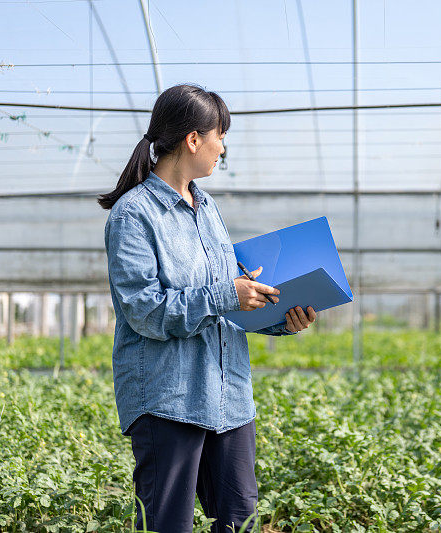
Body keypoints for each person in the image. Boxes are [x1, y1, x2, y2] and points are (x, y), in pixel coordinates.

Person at [98, 84, 316, 533]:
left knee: (239, 521)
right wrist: (225, 295)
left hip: (229, 397)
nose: (223, 147)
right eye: (220, 135)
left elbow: (229, 302)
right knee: (167, 523)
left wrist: (280, 317)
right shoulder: (133, 215)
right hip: (168, 399)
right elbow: (144, 311)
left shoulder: (208, 208)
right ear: (192, 139)